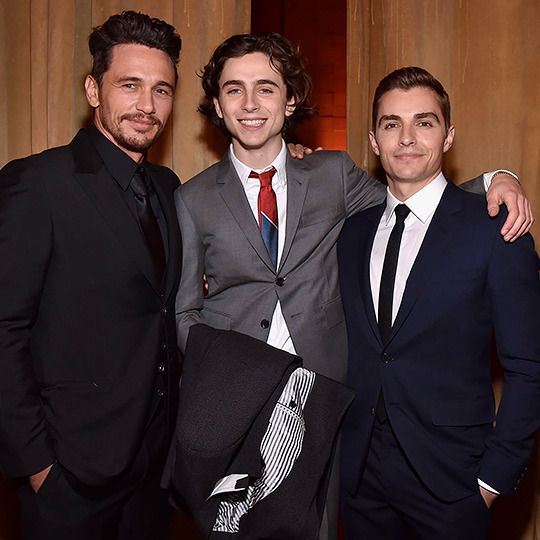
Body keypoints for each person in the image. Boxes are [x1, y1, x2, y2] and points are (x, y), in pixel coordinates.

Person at [174, 33, 531, 540]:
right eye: (235, 90)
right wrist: (230, 371)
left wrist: (499, 177)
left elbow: (414, 196)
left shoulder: (331, 174)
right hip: (236, 410)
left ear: (290, 99)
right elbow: (184, 312)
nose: (251, 104)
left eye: (267, 89)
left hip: (328, 409)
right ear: (217, 103)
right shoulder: (191, 200)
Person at [0, 11, 182, 540]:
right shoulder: (37, 184)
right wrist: (37, 465)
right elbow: (5, 329)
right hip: (70, 475)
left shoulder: (170, 189)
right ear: (93, 89)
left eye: (161, 90)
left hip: (154, 474)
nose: (147, 106)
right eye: (130, 85)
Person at [337, 66, 540, 540]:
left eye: (424, 123)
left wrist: (492, 479)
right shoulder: (352, 233)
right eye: (392, 124)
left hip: (453, 483)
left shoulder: (495, 230)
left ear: (449, 136)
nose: (406, 138)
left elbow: (530, 366)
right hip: (362, 477)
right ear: (373, 139)